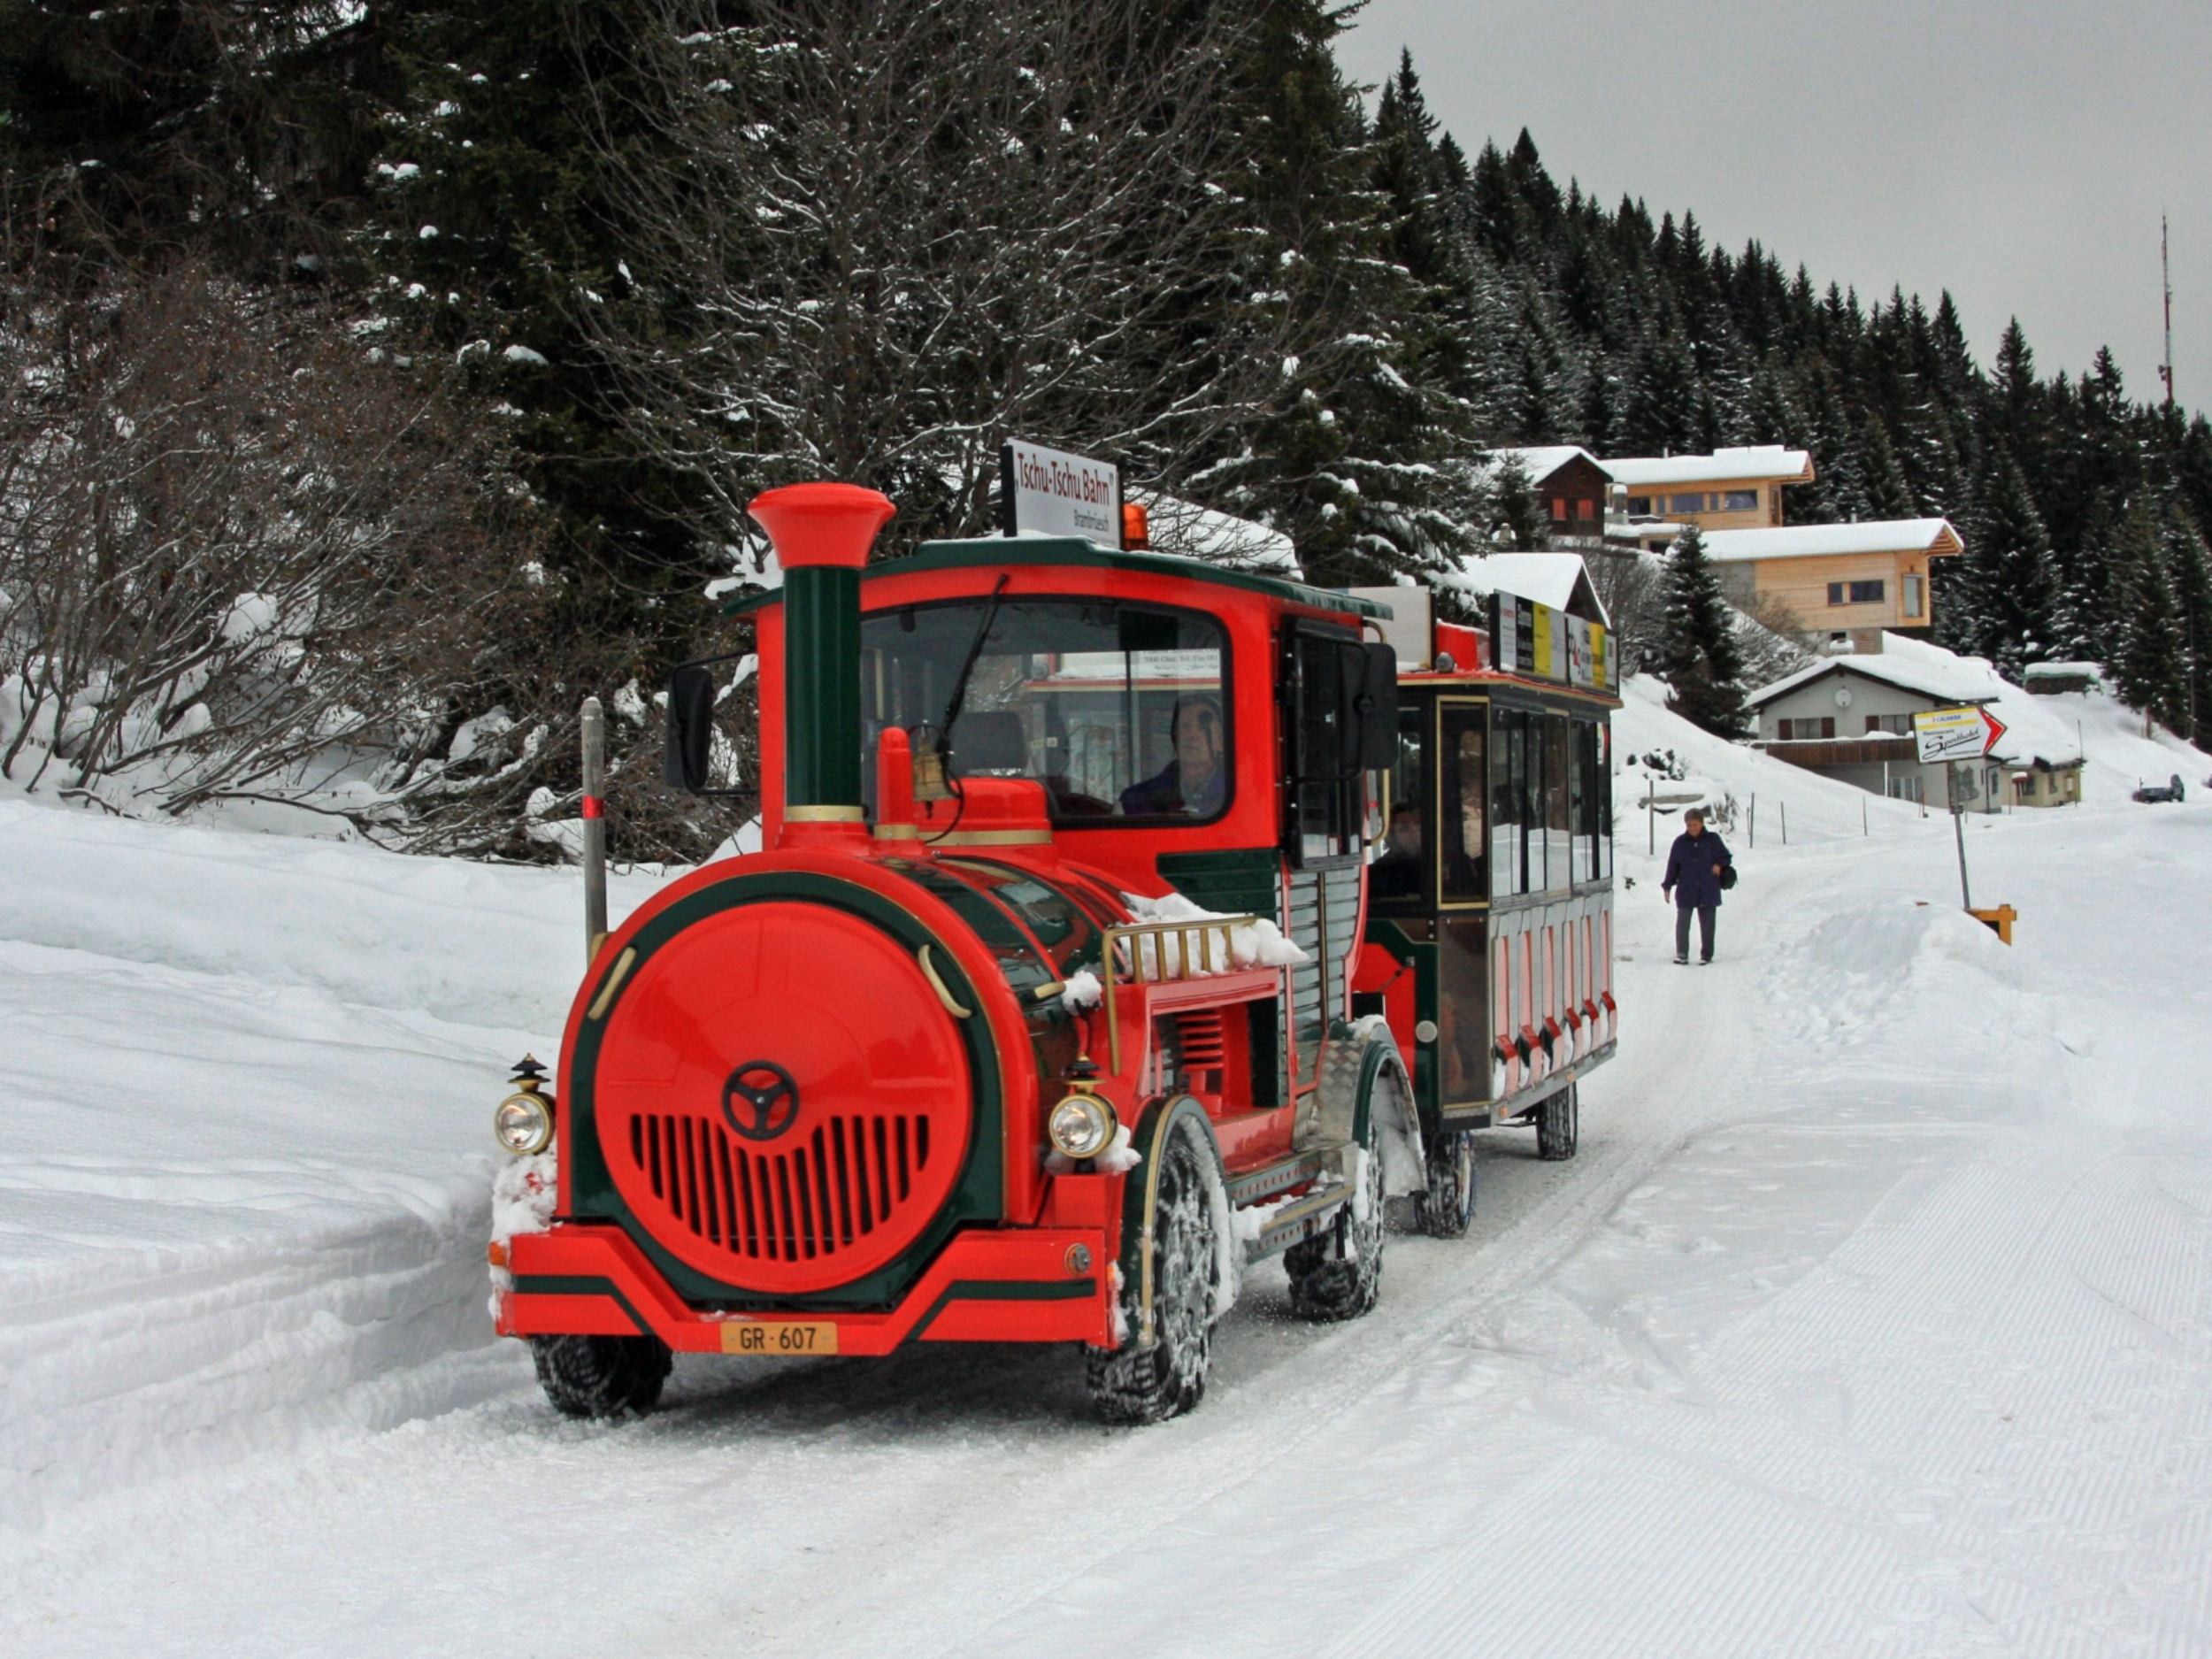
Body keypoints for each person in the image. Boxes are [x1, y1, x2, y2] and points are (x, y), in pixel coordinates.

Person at [1119, 695, 1227, 816]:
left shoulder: (1239, 794)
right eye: (1185, 727)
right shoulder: (1133, 801)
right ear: (1174, 738)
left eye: (1203, 728)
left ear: (1221, 741)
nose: (1192, 735)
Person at [1661, 806, 1733, 965]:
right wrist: (1667, 886)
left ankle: (1706, 955)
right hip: (1686, 889)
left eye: (1695, 824)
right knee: (1682, 923)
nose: (1692, 828)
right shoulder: (1680, 843)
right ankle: (1681, 954)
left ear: (1701, 823)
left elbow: (1726, 856)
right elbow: (1673, 866)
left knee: (1707, 924)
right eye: (1689, 825)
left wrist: (1719, 865)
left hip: (1708, 888)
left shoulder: (1712, 840)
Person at [1370, 804, 1422, 899]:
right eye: (1404, 829)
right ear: (1392, 836)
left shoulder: (1436, 865)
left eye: (1418, 824)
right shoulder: (1382, 871)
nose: (1413, 832)